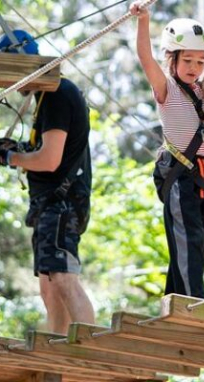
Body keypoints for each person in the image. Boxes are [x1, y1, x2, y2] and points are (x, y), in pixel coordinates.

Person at [130, 2, 204, 298]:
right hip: (179, 174)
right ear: (173, 59)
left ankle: (175, 298)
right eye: (187, 60)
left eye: (200, 62)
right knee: (188, 239)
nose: (194, 68)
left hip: (202, 176)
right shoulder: (166, 89)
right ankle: (194, 300)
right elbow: (144, 56)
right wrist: (144, 20)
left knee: (196, 242)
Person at [0, 30, 95, 334]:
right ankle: (58, 353)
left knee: (63, 278)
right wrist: (19, 150)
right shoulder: (47, 96)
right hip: (51, 203)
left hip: (61, 202)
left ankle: (92, 352)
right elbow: (49, 154)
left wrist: (11, 158)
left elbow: (50, 160)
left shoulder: (56, 93)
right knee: (50, 286)